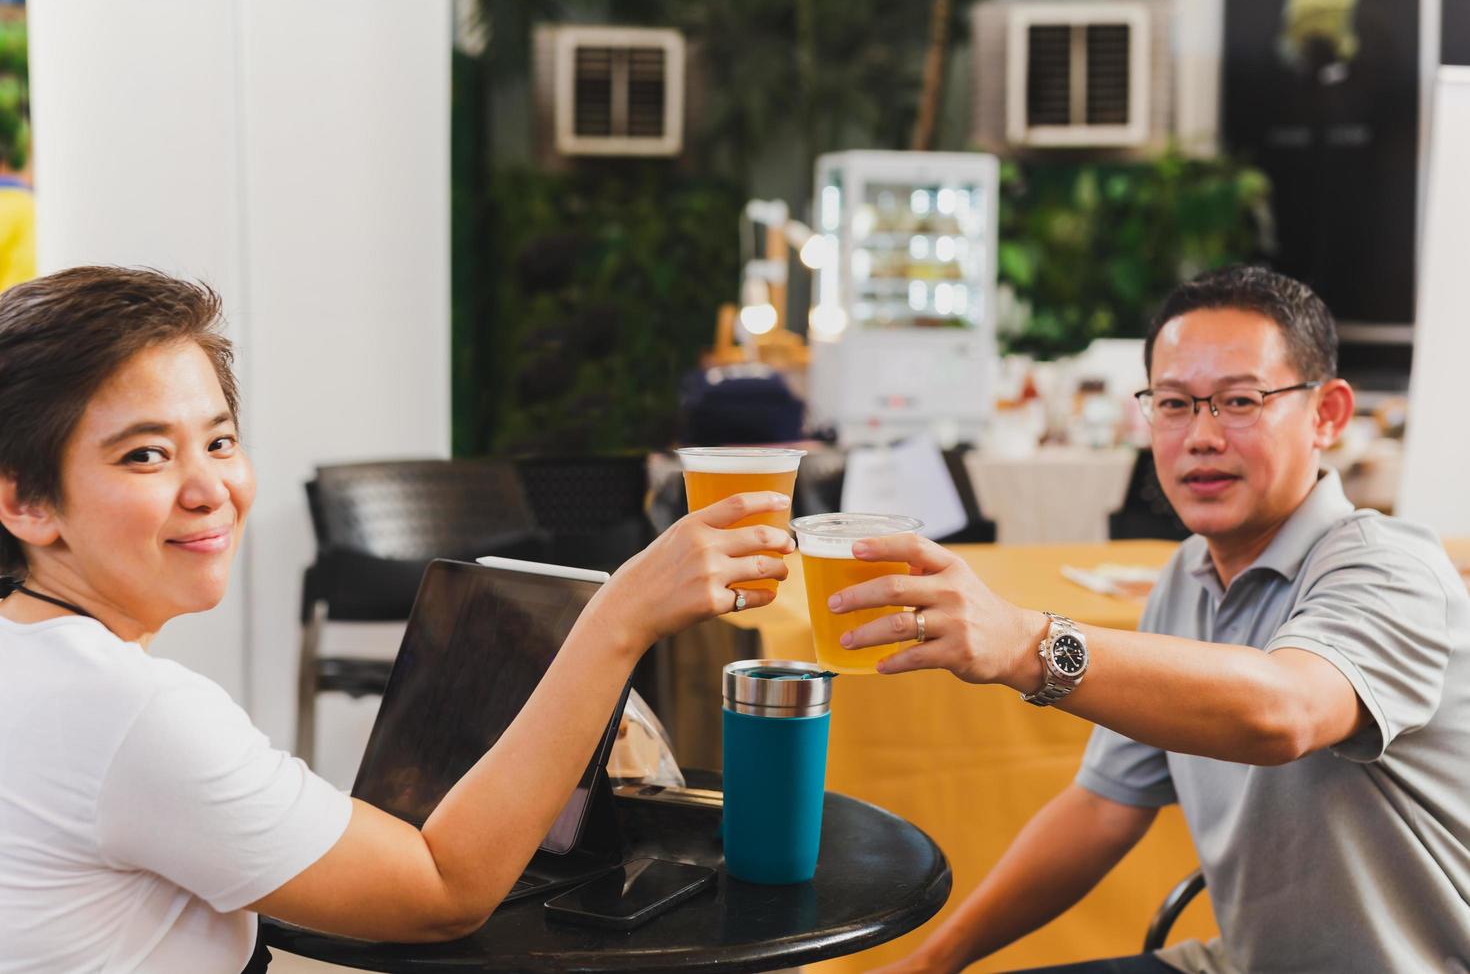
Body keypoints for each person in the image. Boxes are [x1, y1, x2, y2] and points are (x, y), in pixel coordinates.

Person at [0, 266, 796, 972]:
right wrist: (618, 619)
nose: (209, 488)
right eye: (145, 455)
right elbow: (441, 893)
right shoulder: (134, 716)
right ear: (25, 501)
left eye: (220, 440)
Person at [844, 265, 1470, 973]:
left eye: (1239, 401)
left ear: (1327, 414)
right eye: (1173, 404)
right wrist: (933, 964)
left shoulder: (1388, 565)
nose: (1200, 436)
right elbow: (1103, 811)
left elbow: (1283, 711)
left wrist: (1027, 641)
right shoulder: (1185, 579)